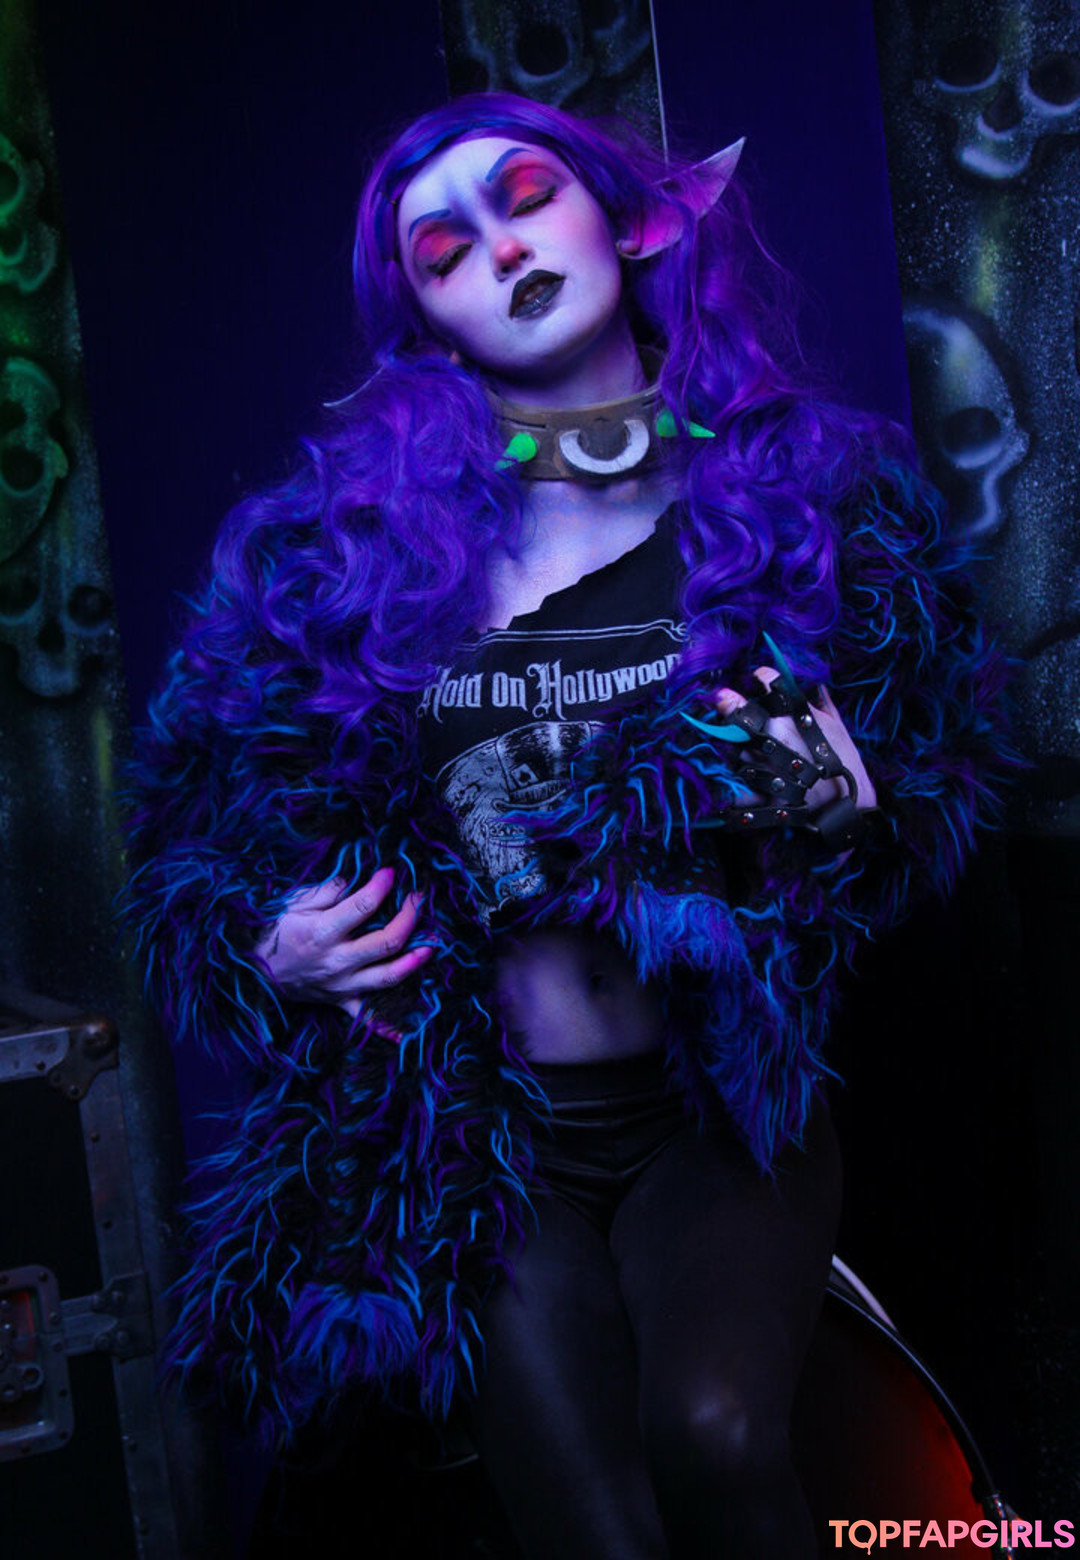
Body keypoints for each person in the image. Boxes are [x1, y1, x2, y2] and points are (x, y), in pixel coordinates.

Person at [125, 93, 1009, 1558]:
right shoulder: (334, 555)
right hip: (485, 1136)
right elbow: (186, 848)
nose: (502, 250)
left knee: (718, 1440)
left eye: (529, 197)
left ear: (631, 217)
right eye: (443, 251)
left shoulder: (813, 497)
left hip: (718, 1115)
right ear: (424, 318)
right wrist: (267, 943)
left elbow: (925, 770)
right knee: (598, 1533)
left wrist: (853, 819)